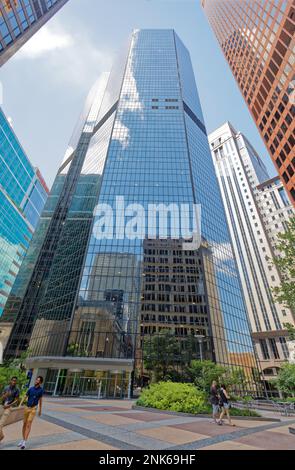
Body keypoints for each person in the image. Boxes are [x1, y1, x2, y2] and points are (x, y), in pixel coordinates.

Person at [18, 376, 44, 450]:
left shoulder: (41, 390)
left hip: (33, 409)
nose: (36, 381)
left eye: (38, 380)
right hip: (27, 408)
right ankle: (23, 439)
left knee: (29, 423)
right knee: (24, 424)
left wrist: (40, 410)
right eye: (36, 380)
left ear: (40, 382)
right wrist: (20, 404)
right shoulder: (31, 389)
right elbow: (25, 396)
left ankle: (24, 442)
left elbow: (40, 400)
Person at [0, 377, 20, 442]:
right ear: (10, 381)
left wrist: (9, 405)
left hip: (8, 408)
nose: (14, 382)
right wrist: (6, 395)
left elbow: (17, 400)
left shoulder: (17, 390)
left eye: (15, 381)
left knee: (0, 424)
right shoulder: (6, 388)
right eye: (13, 380)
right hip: (2, 406)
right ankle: (1, 436)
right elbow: (2, 398)